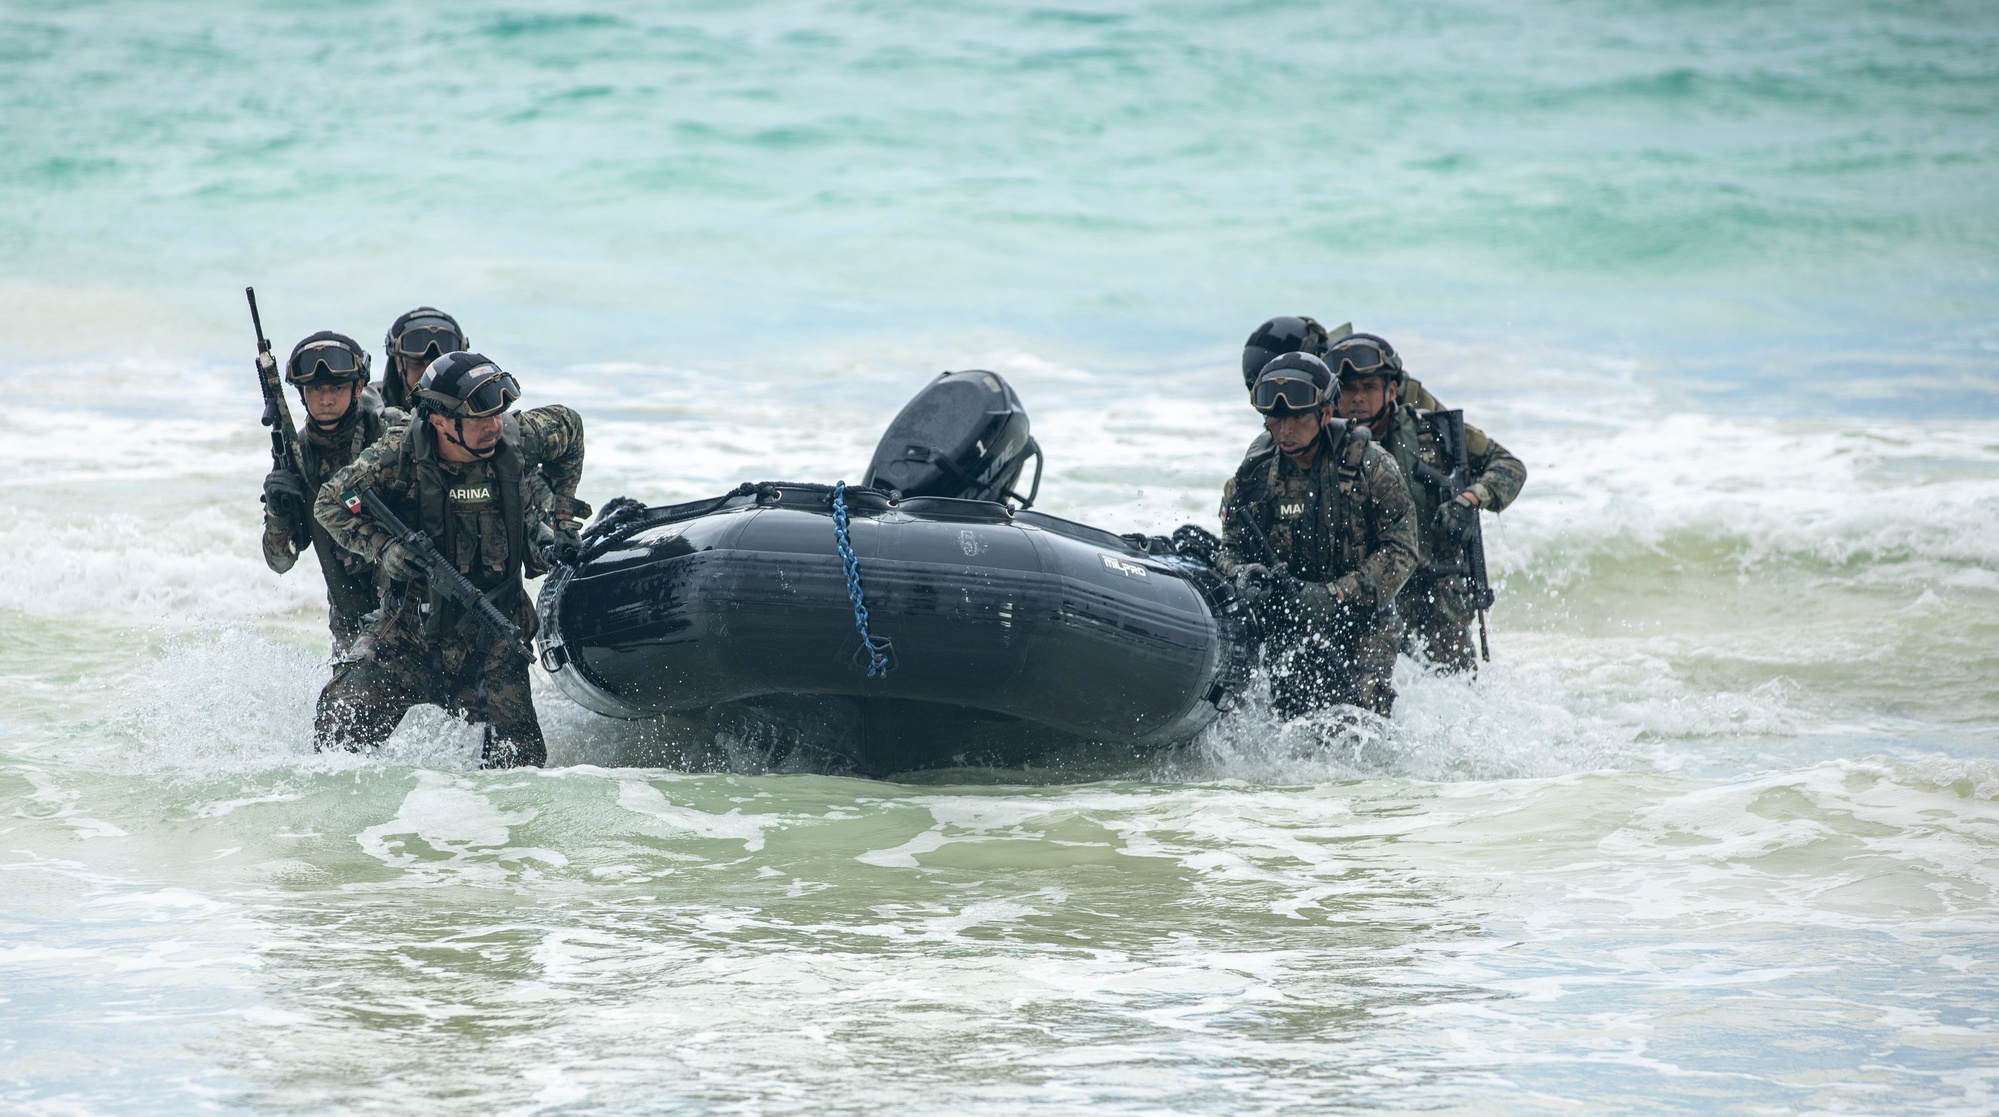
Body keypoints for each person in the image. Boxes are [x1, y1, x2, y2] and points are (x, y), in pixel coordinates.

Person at [310, 352, 588, 767]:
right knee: (335, 734)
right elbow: (333, 501)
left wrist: (562, 518)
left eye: (498, 414)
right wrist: (384, 549)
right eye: (480, 419)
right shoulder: (397, 454)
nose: (494, 426)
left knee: (522, 772)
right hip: (408, 633)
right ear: (439, 420)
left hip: (494, 638)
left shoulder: (518, 437)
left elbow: (570, 428)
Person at [1218, 352, 1420, 717]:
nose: (1285, 430)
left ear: (1326, 414)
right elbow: (1229, 548)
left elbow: (1402, 549)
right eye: (1276, 420)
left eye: (1297, 418)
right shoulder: (1254, 474)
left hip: (1363, 620)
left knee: (1361, 714)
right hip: (1286, 617)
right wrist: (1242, 574)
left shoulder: (1371, 466)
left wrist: (1338, 593)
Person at [1329, 333, 1526, 672]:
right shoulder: (1321, 446)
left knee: (1457, 696)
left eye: (1369, 388)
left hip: (1434, 598)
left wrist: (1471, 498)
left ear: (1391, 391)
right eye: (1347, 390)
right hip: (1361, 598)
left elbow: (1509, 466)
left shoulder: (1436, 434)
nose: (1357, 399)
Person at [259, 331, 405, 655]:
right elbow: (280, 562)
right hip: (348, 620)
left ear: (358, 387)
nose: (326, 399)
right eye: (316, 389)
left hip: (408, 607)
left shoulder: (389, 433)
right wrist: (277, 513)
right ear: (302, 394)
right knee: (343, 705)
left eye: (337, 388)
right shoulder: (297, 458)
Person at [378, 307, 468, 411]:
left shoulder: (473, 410)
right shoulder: (373, 411)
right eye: (417, 364)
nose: (429, 375)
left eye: (440, 368)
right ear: (398, 362)